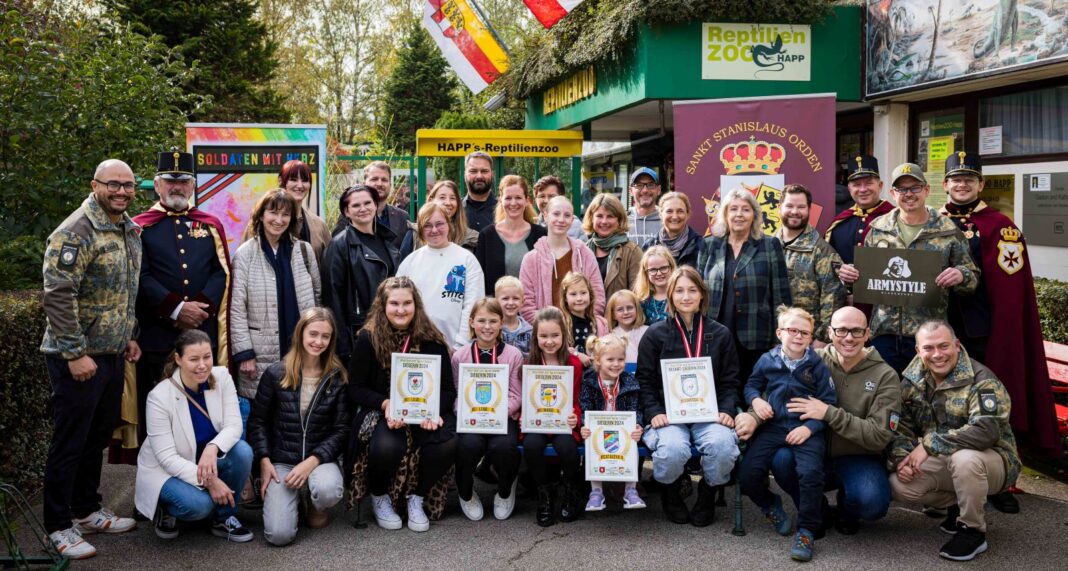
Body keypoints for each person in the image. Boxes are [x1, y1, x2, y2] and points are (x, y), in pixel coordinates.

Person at [41, 159, 142, 559]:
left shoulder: (127, 228)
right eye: (113, 184)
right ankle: (57, 524)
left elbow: (124, 289)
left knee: (96, 437)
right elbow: (58, 295)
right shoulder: (75, 231)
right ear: (94, 184)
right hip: (76, 358)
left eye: (128, 185)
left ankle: (85, 509)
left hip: (112, 353)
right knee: (70, 440)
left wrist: (129, 336)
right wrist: (75, 353)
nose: (121, 191)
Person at [939, 151, 1060, 466]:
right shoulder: (931, 221)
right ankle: (944, 463)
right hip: (938, 325)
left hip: (981, 330)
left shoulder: (1001, 226)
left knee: (989, 398)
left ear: (981, 184)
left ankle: (1000, 468)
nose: (962, 185)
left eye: (968, 179)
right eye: (956, 179)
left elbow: (1010, 291)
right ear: (945, 184)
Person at [736, 306, 901, 536]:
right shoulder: (811, 360)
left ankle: (847, 510)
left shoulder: (885, 375)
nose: (849, 338)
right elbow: (774, 393)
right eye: (841, 330)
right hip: (813, 448)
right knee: (782, 459)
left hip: (857, 456)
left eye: (856, 331)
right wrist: (753, 416)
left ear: (867, 333)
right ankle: (818, 510)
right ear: (830, 333)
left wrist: (828, 413)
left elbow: (879, 436)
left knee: (870, 501)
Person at [889, 320, 1021, 562]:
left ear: (957, 346)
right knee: (900, 483)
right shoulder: (912, 380)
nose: (937, 354)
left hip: (994, 460)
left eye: (944, 346)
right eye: (929, 348)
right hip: (948, 461)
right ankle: (957, 506)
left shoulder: (981, 379)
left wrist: (929, 445)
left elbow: (986, 431)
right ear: (918, 351)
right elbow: (902, 428)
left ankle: (972, 531)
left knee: (965, 459)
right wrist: (901, 458)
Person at [129, 150, 230, 460]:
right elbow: (139, 275)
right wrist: (175, 309)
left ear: (193, 185)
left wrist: (198, 308)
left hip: (202, 336)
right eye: (170, 181)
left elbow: (220, 271)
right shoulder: (140, 227)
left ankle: (206, 475)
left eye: (184, 181)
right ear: (157, 185)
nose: (177, 187)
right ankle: (157, 490)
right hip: (159, 337)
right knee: (159, 414)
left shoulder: (209, 224)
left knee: (204, 411)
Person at [838, 163, 979, 374]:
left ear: (927, 190)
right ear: (893, 193)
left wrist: (961, 275)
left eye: (915, 187)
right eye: (902, 189)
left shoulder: (948, 231)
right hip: (884, 334)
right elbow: (864, 279)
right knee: (885, 398)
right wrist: (849, 277)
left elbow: (972, 277)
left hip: (929, 337)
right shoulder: (878, 229)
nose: (909, 194)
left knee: (926, 401)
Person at [346, 277, 457, 532]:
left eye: (407, 303)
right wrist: (385, 404)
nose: (401, 309)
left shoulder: (432, 339)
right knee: (387, 444)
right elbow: (356, 388)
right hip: (384, 411)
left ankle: (417, 498)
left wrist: (434, 411)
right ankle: (379, 495)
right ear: (383, 305)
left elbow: (448, 390)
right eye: (394, 303)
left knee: (447, 441)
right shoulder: (368, 338)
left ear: (416, 305)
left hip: (424, 409)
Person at [636, 266, 741, 527]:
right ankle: (670, 494)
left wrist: (727, 410)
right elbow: (645, 381)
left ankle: (707, 493)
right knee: (671, 450)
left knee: (723, 447)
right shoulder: (655, 334)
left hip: (710, 413)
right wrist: (654, 412)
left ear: (702, 296)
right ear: (670, 296)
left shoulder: (721, 334)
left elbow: (730, 381)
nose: (686, 296)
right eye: (679, 291)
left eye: (692, 290)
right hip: (669, 416)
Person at [738, 307, 837, 562]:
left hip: (805, 427)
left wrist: (810, 428)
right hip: (772, 426)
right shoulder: (767, 360)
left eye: (805, 332)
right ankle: (770, 505)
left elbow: (829, 403)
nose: (798, 336)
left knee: (811, 474)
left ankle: (806, 530)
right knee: (748, 473)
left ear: (811, 336)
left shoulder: (816, 365)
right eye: (792, 330)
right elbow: (752, 385)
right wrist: (755, 401)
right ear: (780, 333)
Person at [135, 330, 253, 543]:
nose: (202, 365)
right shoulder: (159, 397)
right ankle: (166, 509)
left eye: (207, 357)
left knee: (243, 451)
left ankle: (224, 518)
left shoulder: (222, 377)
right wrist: (211, 482)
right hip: (167, 470)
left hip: (204, 459)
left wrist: (213, 447)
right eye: (194, 359)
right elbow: (167, 459)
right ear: (178, 359)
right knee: (199, 506)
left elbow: (234, 426)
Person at [247, 308, 350, 545]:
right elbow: (258, 421)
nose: (318, 341)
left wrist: (312, 461)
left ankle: (315, 506)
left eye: (325, 336)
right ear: (300, 333)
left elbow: (342, 429)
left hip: (318, 459)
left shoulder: (337, 377)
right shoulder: (276, 373)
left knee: (329, 491)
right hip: (281, 459)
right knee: (279, 536)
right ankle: (288, 499)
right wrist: (264, 460)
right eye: (313, 334)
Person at [231, 189, 321, 401]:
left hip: (300, 348)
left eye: (285, 214)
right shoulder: (245, 254)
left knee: (298, 411)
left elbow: (317, 297)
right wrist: (245, 354)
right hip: (261, 352)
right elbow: (236, 308)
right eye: (273, 213)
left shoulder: (304, 251)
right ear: (261, 215)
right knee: (263, 415)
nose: (279, 220)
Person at [698, 187, 792, 382]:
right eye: (733, 209)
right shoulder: (709, 245)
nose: (739, 214)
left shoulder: (769, 245)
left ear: (755, 215)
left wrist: (782, 336)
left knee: (751, 391)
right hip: (714, 335)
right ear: (725, 214)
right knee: (718, 390)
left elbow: (781, 296)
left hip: (755, 336)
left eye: (745, 209)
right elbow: (697, 293)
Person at [450, 299, 524, 521]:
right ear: (472, 322)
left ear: (501, 323)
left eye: (493, 321)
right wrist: (466, 411)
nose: (487, 326)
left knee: (505, 447)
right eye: (481, 320)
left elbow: (516, 395)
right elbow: (456, 394)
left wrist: (496, 413)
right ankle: (465, 492)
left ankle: (504, 490)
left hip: (501, 417)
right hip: (471, 418)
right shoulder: (460, 356)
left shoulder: (513, 355)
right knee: (467, 445)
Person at [320, 185, 399, 363]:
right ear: (346, 212)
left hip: (389, 332)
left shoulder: (387, 240)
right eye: (356, 206)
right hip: (357, 335)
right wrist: (342, 346)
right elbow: (332, 297)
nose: (363, 209)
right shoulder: (339, 245)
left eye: (367, 203)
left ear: (375, 205)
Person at [522, 307, 584, 527]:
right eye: (544, 336)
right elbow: (527, 398)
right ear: (536, 337)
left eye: (555, 335)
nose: (549, 341)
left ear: (564, 335)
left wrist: (575, 417)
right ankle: (545, 494)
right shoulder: (530, 364)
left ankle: (569, 489)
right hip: (538, 422)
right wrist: (524, 416)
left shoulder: (574, 364)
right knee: (531, 446)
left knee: (568, 449)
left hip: (562, 422)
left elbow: (576, 398)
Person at [397, 202, 486, 349]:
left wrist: (460, 345)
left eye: (439, 224)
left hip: (455, 347)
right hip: (415, 346)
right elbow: (399, 303)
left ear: (449, 224)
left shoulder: (466, 259)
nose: (434, 230)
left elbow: (473, 305)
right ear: (420, 229)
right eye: (427, 225)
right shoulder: (410, 262)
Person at [579, 335, 645, 511]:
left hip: (623, 431)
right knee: (592, 444)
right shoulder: (589, 382)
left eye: (621, 359)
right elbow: (584, 407)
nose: (616, 364)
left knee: (631, 442)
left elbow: (636, 409)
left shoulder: (630, 382)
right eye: (610, 359)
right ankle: (596, 492)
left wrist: (638, 425)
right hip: (597, 431)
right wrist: (584, 425)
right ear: (598, 360)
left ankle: (630, 490)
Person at [775, 184, 846, 346]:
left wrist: (822, 339)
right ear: (779, 208)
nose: (795, 211)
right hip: (776, 338)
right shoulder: (769, 245)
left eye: (801, 207)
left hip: (808, 339)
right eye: (789, 206)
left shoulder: (822, 251)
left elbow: (833, 297)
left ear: (809, 210)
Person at [519, 196, 606, 322]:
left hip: (582, 333)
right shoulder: (531, 259)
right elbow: (526, 307)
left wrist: (582, 324)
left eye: (567, 215)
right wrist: (551, 327)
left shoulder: (585, 254)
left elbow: (598, 297)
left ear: (572, 219)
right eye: (556, 214)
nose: (561, 220)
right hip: (546, 336)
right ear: (545, 215)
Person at [475, 175, 547, 293]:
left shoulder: (541, 235)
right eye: (508, 198)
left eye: (518, 197)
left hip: (532, 309)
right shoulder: (487, 236)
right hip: (496, 309)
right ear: (500, 200)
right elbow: (479, 279)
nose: (513, 203)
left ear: (526, 200)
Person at [824, 155, 894, 265]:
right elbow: (827, 264)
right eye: (856, 184)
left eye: (868, 183)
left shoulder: (897, 219)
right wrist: (840, 270)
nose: (862, 189)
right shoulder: (839, 224)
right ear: (849, 188)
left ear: (880, 186)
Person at [583, 193, 642, 300]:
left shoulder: (632, 252)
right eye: (599, 216)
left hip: (620, 315)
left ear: (619, 220)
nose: (604, 221)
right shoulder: (583, 250)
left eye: (610, 216)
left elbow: (638, 295)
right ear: (591, 218)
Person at [401, 180, 480, 257]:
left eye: (452, 198)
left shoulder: (471, 237)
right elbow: (403, 267)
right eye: (442, 197)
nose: (448, 203)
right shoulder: (415, 234)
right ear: (431, 200)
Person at [278, 159, 331, 261]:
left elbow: (330, 265)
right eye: (293, 179)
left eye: (305, 180)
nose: (300, 185)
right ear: (281, 180)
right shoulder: (264, 222)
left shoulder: (319, 225)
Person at [559, 271, 609, 371]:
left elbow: (607, 349)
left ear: (590, 294)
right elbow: (557, 349)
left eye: (583, 293)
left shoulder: (601, 324)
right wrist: (576, 355)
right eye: (573, 294)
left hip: (595, 376)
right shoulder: (561, 323)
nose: (579, 298)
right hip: (571, 376)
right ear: (565, 298)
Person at [650, 191, 704, 268]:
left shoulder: (701, 245)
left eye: (680, 211)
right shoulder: (650, 246)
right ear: (661, 214)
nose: (675, 217)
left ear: (687, 214)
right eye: (669, 211)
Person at [365, 161, 408, 248]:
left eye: (384, 180)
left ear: (390, 185)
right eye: (374, 179)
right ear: (364, 183)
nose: (379, 184)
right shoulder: (351, 216)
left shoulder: (402, 217)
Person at [606, 289, 648, 374]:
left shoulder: (648, 331)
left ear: (637, 309)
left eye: (629, 308)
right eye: (620, 309)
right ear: (613, 314)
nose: (625, 312)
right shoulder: (610, 336)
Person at [633, 245, 677, 324]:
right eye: (653, 270)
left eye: (663, 268)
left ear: (671, 268)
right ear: (646, 273)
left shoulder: (679, 296)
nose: (659, 273)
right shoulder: (642, 300)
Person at [533, 175, 585, 239]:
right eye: (542, 196)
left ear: (562, 198)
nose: (546, 200)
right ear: (535, 199)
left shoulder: (576, 226)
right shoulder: (531, 226)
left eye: (551, 196)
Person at [625, 167, 662, 249]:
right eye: (639, 185)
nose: (645, 190)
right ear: (630, 190)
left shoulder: (666, 220)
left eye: (651, 185)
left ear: (659, 190)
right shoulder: (622, 220)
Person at [496, 276, 533, 357]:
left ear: (523, 302)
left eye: (515, 298)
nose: (511, 303)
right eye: (505, 298)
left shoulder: (530, 331)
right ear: (496, 301)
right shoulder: (494, 330)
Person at [463, 151, 498, 233]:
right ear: (465, 174)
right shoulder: (456, 210)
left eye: (484, 171)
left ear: (492, 174)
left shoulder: (504, 210)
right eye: (473, 171)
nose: (479, 176)